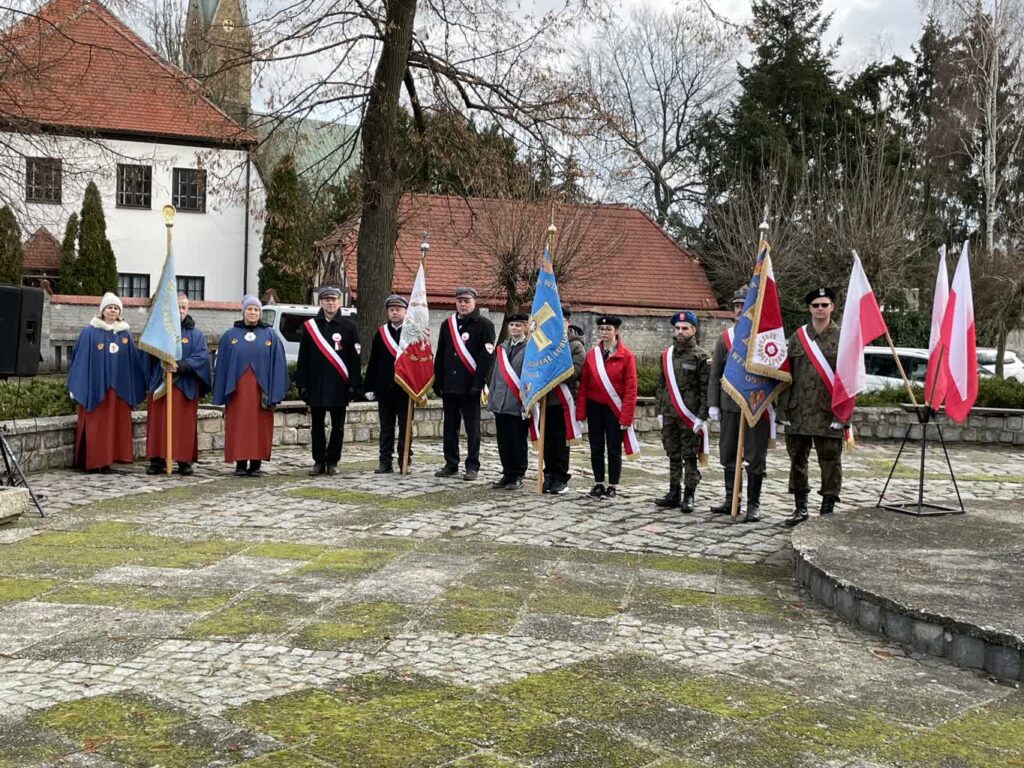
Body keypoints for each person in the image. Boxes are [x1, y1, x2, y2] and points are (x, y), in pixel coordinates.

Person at [777, 287, 846, 526]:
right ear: (809, 308)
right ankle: (800, 508)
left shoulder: (843, 337)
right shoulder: (798, 337)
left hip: (828, 413)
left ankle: (827, 509)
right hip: (798, 413)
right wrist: (783, 410)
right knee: (797, 461)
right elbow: (787, 375)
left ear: (832, 307)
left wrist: (843, 413)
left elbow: (849, 379)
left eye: (824, 305)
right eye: (815, 305)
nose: (820, 309)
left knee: (830, 462)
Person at [707, 288, 772, 522]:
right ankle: (731, 499)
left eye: (744, 305)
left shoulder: (764, 339)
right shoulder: (725, 338)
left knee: (755, 456)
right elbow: (715, 374)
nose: (739, 310)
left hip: (755, 407)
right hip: (730, 406)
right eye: (736, 306)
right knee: (729, 453)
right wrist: (713, 404)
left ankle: (754, 504)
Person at [67, 292, 147, 473]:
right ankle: (95, 461)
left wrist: (135, 386)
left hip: (118, 391)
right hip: (95, 389)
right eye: (109, 307)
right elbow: (80, 359)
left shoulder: (125, 334)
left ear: (120, 312)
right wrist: (78, 385)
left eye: (116, 308)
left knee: (113, 426)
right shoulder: (89, 332)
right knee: (97, 425)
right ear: (102, 310)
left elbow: (134, 362)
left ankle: (108, 461)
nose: (112, 310)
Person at [212, 295, 289, 477]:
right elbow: (221, 365)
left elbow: (279, 365)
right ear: (243, 311)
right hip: (237, 392)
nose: (253, 312)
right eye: (249, 309)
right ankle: (240, 463)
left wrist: (275, 393)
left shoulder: (271, 335)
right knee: (238, 425)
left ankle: (256, 464)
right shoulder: (230, 336)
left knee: (259, 426)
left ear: (260, 312)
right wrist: (221, 392)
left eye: (256, 309)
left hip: (260, 392)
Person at [295, 285, 362, 475]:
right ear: (321, 302)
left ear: (339, 302)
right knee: (317, 427)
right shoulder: (310, 327)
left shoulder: (350, 327)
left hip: (339, 386)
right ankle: (318, 461)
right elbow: (303, 357)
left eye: (333, 300)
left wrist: (354, 385)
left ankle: (332, 461)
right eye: (326, 300)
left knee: (338, 427)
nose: (330, 303)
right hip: (316, 385)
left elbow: (355, 358)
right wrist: (302, 384)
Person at [143, 294, 212, 476]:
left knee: (183, 426)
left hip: (184, 387)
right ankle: (157, 460)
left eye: (183, 307)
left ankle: (183, 460)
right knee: (159, 424)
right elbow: (146, 357)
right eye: (177, 307)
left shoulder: (196, 335)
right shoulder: (158, 332)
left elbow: (201, 358)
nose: (180, 311)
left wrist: (180, 366)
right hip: (160, 386)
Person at [433, 286, 496, 481]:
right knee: (450, 427)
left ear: (474, 303)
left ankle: (472, 465)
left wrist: (479, 383)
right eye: (460, 300)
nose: (463, 304)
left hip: (470, 386)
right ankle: (451, 463)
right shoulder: (447, 324)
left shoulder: (484, 324)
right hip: (450, 385)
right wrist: (438, 380)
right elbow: (441, 354)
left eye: (467, 301)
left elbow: (486, 357)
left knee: (472, 429)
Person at [575, 315, 638, 500]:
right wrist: (581, 410)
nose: (604, 332)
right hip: (595, 406)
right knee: (596, 446)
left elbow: (631, 387)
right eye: (601, 329)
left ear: (616, 331)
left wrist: (626, 416)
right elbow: (584, 384)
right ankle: (599, 482)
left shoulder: (626, 356)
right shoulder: (592, 354)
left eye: (608, 329)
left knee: (613, 448)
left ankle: (613, 485)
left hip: (614, 409)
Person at [654, 310, 710, 513]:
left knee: (689, 456)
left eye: (684, 328)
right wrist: (659, 411)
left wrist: (702, 416)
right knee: (673, 454)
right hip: (670, 413)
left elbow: (706, 389)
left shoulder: (701, 357)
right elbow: (661, 386)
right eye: (677, 328)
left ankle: (689, 495)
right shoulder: (666, 355)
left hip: (690, 415)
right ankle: (673, 492)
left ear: (693, 330)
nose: (680, 332)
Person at [542, 307, 586, 494]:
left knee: (561, 443)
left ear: (568, 322)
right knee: (547, 442)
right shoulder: (544, 344)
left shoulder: (575, 346)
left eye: (562, 321)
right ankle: (548, 475)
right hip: (546, 400)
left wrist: (554, 372)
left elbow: (577, 371)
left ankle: (560, 477)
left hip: (563, 401)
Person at [365, 294, 411, 473]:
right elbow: (373, 361)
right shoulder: (381, 333)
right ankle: (385, 462)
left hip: (406, 389)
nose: (394, 313)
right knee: (386, 428)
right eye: (391, 310)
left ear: (405, 311)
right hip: (385, 388)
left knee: (406, 427)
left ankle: (404, 459)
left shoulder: (412, 333)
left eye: (398, 309)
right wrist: (369, 386)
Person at [488, 312, 530, 490]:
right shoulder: (502, 348)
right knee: (503, 440)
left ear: (526, 327)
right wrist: (492, 398)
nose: (514, 328)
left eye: (518, 325)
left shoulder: (530, 349)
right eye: (512, 325)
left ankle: (518, 474)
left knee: (517, 440)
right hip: (501, 402)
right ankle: (507, 472)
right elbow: (496, 375)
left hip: (517, 402)